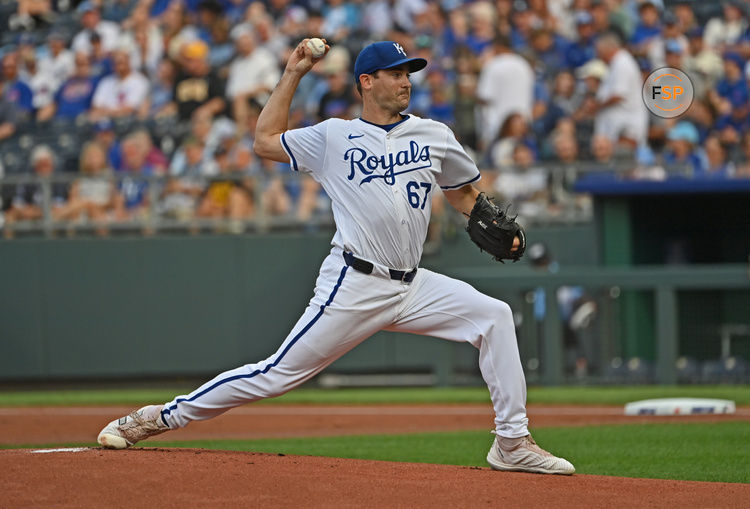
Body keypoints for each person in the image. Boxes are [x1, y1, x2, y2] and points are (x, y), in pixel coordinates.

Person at [96, 39, 575, 476]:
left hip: (413, 285)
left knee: (494, 316)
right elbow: (263, 141)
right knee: (275, 375)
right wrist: (293, 73)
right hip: (355, 281)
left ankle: (512, 442)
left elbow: (461, 191)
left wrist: (483, 217)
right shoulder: (333, 137)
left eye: (409, 71)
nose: (406, 80)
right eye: (394, 72)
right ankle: (157, 417)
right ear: (367, 81)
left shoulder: (434, 134)